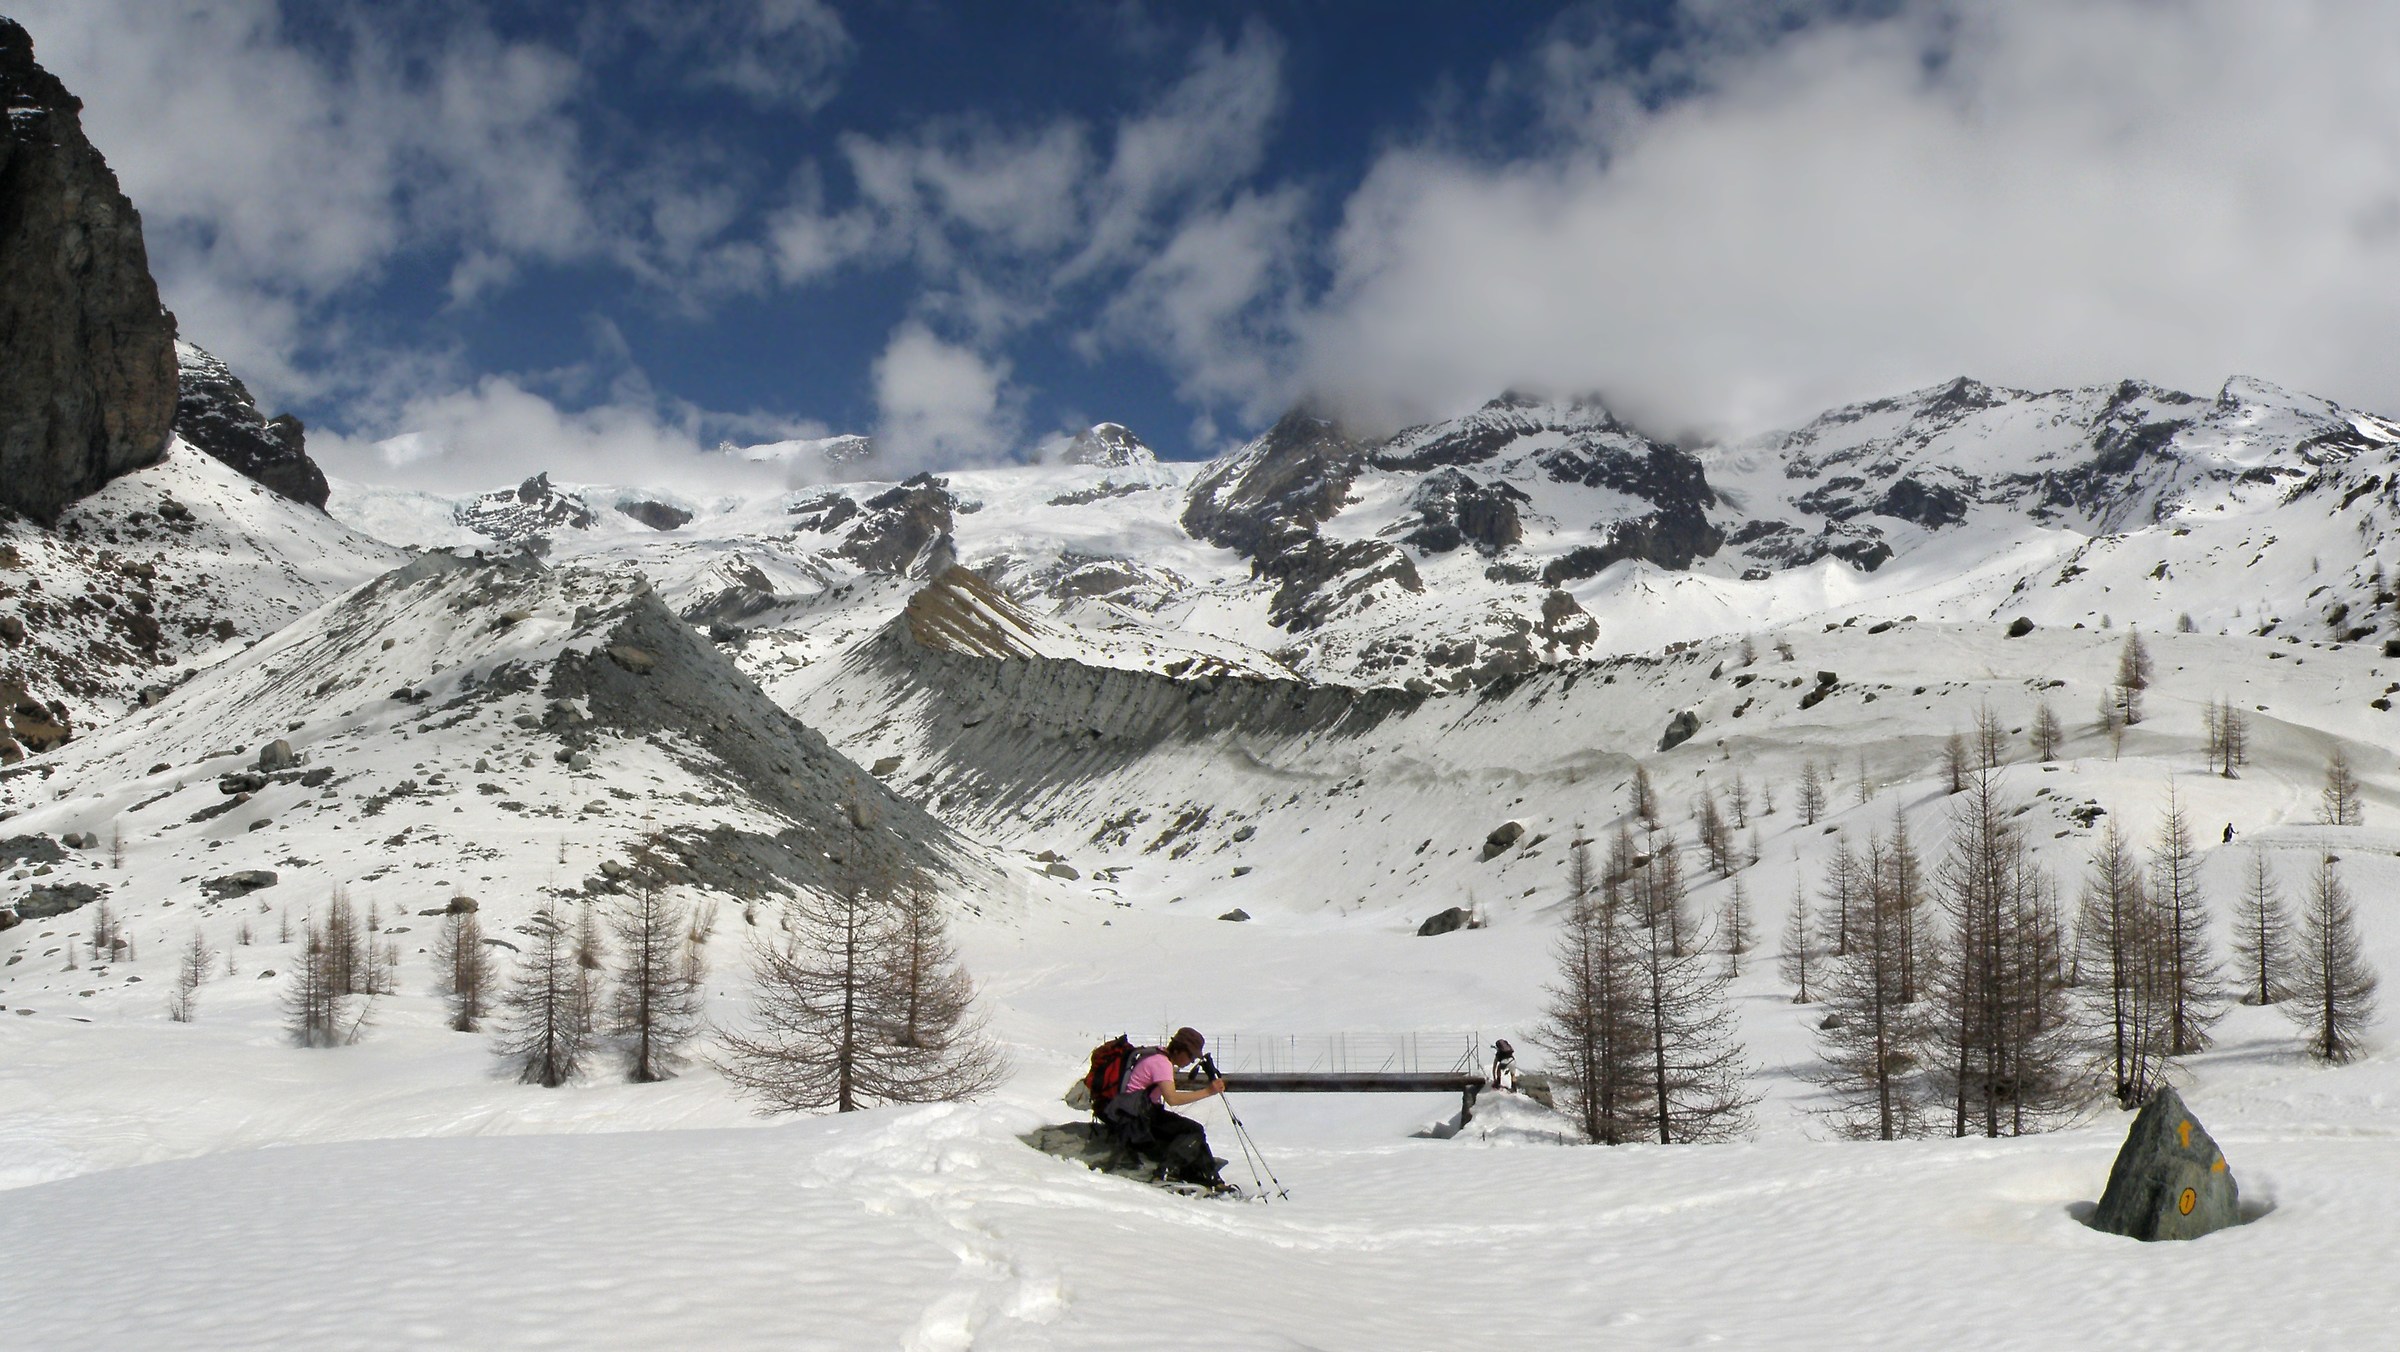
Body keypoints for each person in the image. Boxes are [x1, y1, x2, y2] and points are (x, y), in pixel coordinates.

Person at [1107, 1026, 1229, 1189]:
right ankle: (1167, 1172)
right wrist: (1208, 1091)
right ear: (1179, 1050)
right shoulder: (1161, 1063)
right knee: (1193, 1131)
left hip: (1136, 1114)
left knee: (1193, 1132)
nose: (1191, 1060)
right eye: (1191, 1055)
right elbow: (1173, 1098)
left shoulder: (1157, 1056)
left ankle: (1211, 1179)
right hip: (1139, 1119)